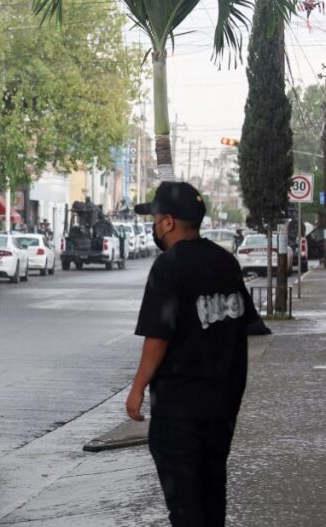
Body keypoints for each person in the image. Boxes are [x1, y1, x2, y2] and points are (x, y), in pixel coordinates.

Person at [127, 181, 258, 527]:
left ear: (168, 222)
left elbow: (158, 336)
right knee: (212, 496)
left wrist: (137, 388)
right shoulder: (227, 262)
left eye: (155, 218)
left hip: (179, 409)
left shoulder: (168, 266)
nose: (153, 226)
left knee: (185, 506)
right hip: (223, 405)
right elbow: (244, 325)